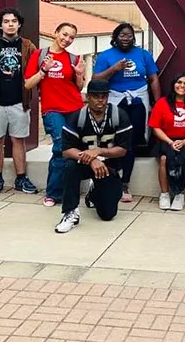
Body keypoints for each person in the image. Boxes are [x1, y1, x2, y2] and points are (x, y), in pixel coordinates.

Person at [93, 23, 161, 201]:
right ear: (115, 37)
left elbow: (153, 79)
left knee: (130, 141)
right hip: (115, 100)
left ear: (134, 37)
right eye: (122, 35)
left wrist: (157, 102)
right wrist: (114, 69)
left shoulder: (143, 54)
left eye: (129, 35)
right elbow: (96, 79)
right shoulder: (106, 56)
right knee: (112, 139)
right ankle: (106, 180)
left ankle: (125, 184)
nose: (125, 38)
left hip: (138, 100)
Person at [54, 80, 132, 233]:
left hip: (108, 166)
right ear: (88, 97)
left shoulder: (118, 115)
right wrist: (92, 159)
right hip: (83, 164)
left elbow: (123, 150)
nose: (100, 100)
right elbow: (66, 150)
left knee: (108, 214)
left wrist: (98, 151)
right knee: (70, 166)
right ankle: (70, 212)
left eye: (104, 96)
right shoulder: (77, 117)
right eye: (96, 96)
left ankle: (93, 192)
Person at [24, 22, 87, 207]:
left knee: (74, 147)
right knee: (60, 147)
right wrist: (43, 70)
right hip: (52, 109)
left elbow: (79, 87)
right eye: (64, 34)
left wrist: (79, 75)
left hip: (75, 109)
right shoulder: (39, 55)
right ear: (56, 33)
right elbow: (28, 84)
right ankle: (53, 193)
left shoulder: (74, 58)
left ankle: (71, 188)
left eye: (71, 37)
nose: (67, 39)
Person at [0, 7, 39, 196]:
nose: (10, 24)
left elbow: (36, 69)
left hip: (19, 102)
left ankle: (21, 178)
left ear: (19, 24)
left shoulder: (28, 46)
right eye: (6, 21)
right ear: (0, 25)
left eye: (14, 21)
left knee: (18, 140)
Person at [148, 73, 185, 211]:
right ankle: (165, 194)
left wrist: (184, 142)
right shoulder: (162, 102)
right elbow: (155, 127)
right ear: (173, 84)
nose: (182, 86)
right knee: (165, 159)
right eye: (179, 82)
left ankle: (179, 194)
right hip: (166, 139)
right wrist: (170, 142)